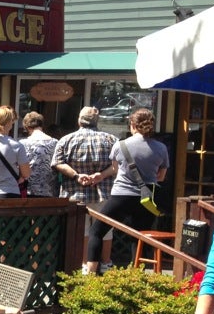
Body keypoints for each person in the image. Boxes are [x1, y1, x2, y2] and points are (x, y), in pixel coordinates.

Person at [83, 108, 169, 275]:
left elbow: (115, 169)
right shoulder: (161, 148)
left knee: (97, 231)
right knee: (140, 236)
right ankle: (137, 275)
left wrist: (101, 175)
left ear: (132, 125)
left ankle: (91, 273)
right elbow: (161, 177)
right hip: (146, 198)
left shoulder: (121, 145)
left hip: (121, 195)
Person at [52, 107, 119, 271]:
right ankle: (105, 263)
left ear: (79, 120)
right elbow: (118, 165)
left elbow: (57, 163)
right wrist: (101, 175)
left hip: (75, 193)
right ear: (97, 121)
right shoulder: (112, 139)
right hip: (103, 192)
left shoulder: (66, 140)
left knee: (81, 229)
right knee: (105, 229)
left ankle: (84, 265)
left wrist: (76, 175)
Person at [20, 111, 57, 197]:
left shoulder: (23, 143)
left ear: (27, 127)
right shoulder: (55, 142)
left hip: (29, 191)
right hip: (50, 191)